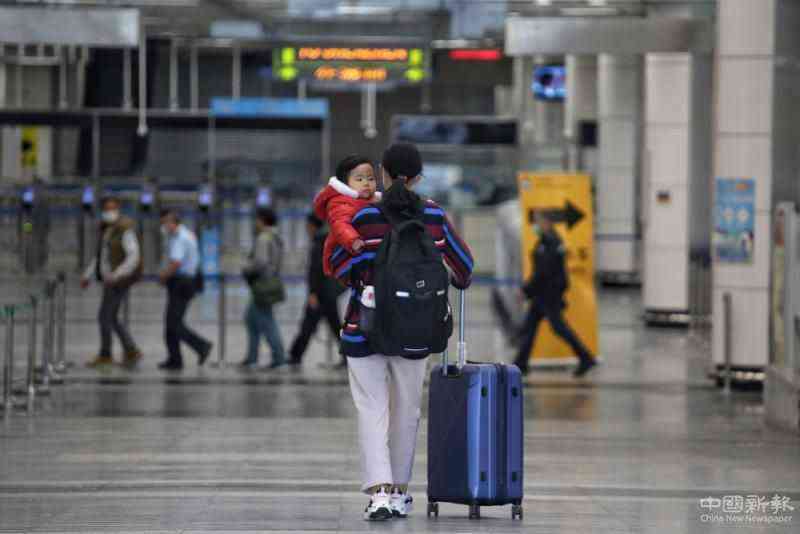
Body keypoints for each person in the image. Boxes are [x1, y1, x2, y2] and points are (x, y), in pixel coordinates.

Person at [328, 143, 474, 521]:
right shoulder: (434, 215)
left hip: (366, 328)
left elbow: (336, 264)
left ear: (383, 172)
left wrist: (364, 277)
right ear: (419, 177)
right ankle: (398, 494)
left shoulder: (364, 217)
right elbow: (464, 265)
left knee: (371, 409)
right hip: (417, 330)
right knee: (407, 411)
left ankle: (378, 493)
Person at [513, 212, 597, 378]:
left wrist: (525, 290)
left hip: (549, 295)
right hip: (542, 294)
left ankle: (586, 357)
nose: (535, 226)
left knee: (558, 328)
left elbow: (543, 271)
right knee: (529, 328)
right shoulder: (545, 241)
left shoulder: (551, 242)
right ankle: (521, 364)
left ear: (547, 223)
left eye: (538, 222)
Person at [81, 196, 143, 369]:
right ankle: (131, 350)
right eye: (107, 209)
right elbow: (101, 256)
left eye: (113, 208)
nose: (109, 212)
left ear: (118, 209)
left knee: (104, 317)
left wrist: (117, 275)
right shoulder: (107, 229)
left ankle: (106, 354)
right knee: (112, 317)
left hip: (117, 281)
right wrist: (88, 275)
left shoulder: (125, 229)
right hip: (110, 280)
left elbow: (134, 256)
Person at [157, 209, 212, 371]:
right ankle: (175, 359)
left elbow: (176, 262)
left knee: (173, 323)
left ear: (173, 223)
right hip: (184, 282)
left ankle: (202, 346)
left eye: (165, 223)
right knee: (171, 323)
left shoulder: (180, 238)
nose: (164, 226)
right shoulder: (184, 234)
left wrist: (164, 276)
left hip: (182, 283)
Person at [288, 214, 344, 367]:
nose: (307, 229)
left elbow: (316, 270)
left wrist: (312, 292)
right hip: (328, 292)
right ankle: (348, 356)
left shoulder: (319, 242)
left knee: (308, 326)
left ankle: (295, 356)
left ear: (312, 226)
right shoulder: (328, 240)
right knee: (334, 326)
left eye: (307, 226)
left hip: (320, 293)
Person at [313, 155, 382, 276]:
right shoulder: (341, 202)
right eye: (359, 179)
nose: (366, 183)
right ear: (345, 183)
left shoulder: (376, 202)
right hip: (344, 255)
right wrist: (353, 240)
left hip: (366, 257)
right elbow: (340, 225)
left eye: (371, 179)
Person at [240, 207, 288, 370]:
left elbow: (260, 262)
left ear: (262, 220)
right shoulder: (276, 236)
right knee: (251, 319)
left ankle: (279, 359)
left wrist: (246, 268)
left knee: (267, 322)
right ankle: (252, 358)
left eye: (257, 219)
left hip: (262, 284)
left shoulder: (263, 238)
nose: (255, 222)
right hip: (271, 282)